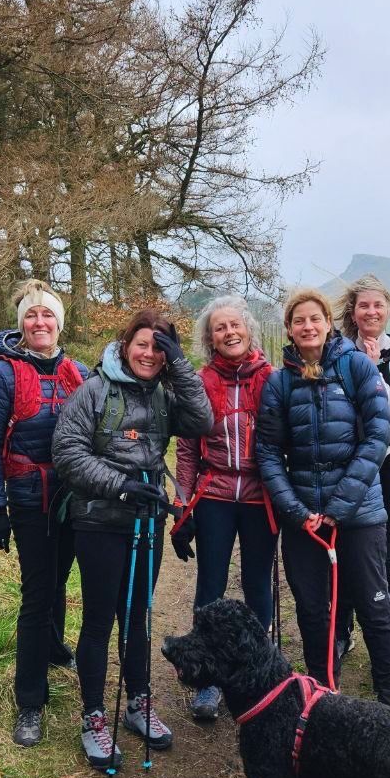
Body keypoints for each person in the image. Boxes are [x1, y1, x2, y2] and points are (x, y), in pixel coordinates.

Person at [52, 310, 213, 768]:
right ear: (125, 345)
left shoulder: (164, 393)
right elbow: (67, 452)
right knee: (101, 618)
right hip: (99, 520)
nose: (150, 354)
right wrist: (119, 485)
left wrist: (180, 365)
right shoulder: (95, 391)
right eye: (143, 344)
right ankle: (94, 717)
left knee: (138, 614)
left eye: (160, 348)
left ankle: (139, 703)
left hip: (147, 520)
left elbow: (202, 419)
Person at [255, 287, 390, 710]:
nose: (308, 326)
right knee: (312, 613)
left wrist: (339, 507)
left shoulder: (357, 367)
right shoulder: (279, 381)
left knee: (375, 607)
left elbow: (377, 436)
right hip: (303, 519)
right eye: (299, 320)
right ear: (289, 329)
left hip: (359, 515)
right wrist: (296, 510)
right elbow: (268, 452)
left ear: (328, 323)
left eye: (315, 318)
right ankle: (323, 699)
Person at [0, 279, 89, 747]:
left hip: (74, 496)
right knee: (37, 591)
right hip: (28, 497)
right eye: (31, 315)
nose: (39, 323)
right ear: (20, 323)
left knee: (60, 578)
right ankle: (30, 700)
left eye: (47, 315)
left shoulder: (77, 372)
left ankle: (56, 646)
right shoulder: (2, 375)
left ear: (59, 323)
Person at [172, 295, 277, 721]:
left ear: (249, 329)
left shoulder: (272, 379)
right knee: (210, 585)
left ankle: (259, 675)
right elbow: (186, 449)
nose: (229, 332)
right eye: (220, 327)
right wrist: (182, 509)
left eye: (235, 325)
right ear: (209, 338)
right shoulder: (200, 383)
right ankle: (208, 680)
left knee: (257, 585)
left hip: (259, 497)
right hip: (214, 495)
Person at [336, 273, 390, 639]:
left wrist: (372, 373)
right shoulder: (336, 351)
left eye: (378, 305)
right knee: (344, 549)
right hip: (348, 466)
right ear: (353, 313)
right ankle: (342, 634)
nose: (371, 312)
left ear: (389, 310)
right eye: (364, 306)